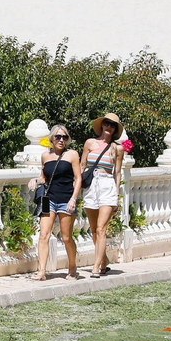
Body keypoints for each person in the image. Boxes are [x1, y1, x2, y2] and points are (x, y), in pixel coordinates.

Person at [28, 125, 81, 281]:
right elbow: (44, 178)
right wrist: (35, 180)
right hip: (48, 199)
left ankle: (72, 267)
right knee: (43, 235)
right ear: (51, 138)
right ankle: (42, 271)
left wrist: (73, 198)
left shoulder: (72, 155)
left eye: (64, 137)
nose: (61, 140)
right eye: (58, 137)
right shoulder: (45, 156)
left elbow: (78, 178)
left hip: (66, 199)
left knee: (66, 237)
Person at [82, 113, 125, 276]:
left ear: (115, 129)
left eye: (112, 125)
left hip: (107, 185)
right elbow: (82, 165)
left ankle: (96, 266)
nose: (109, 127)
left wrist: (117, 196)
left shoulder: (117, 148)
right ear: (102, 125)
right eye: (106, 123)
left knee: (101, 229)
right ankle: (104, 259)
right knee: (93, 229)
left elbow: (117, 173)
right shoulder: (90, 143)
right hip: (91, 185)